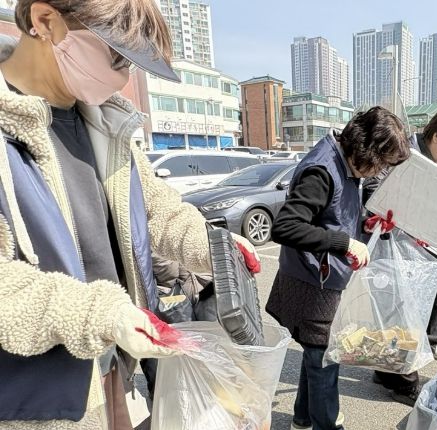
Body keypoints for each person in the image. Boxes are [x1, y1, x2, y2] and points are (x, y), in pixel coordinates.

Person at [0, 1, 258, 429]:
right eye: (118, 58)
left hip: (114, 364)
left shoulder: (104, 123)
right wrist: (103, 314)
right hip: (36, 397)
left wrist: (212, 247)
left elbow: (155, 208)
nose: (124, 78)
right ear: (45, 21)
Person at [266, 106, 411, 430]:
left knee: (316, 353)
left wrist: (365, 224)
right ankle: (327, 424)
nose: (378, 172)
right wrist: (344, 243)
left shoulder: (345, 162)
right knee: (325, 358)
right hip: (310, 283)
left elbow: (332, 216)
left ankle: (303, 417)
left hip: (319, 278)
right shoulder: (322, 170)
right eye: (380, 163)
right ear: (365, 147)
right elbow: (285, 227)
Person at [363, 105, 437, 406]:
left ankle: (385, 371)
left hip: (413, 250)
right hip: (390, 246)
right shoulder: (404, 152)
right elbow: (373, 186)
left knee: (398, 314)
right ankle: (405, 385)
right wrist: (390, 213)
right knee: (403, 316)